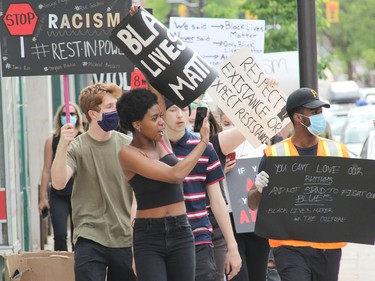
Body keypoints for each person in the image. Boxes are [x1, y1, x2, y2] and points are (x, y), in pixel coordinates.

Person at [248, 87, 349, 281]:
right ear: (298, 118)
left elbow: (350, 196)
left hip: (327, 246)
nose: (320, 116)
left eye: (321, 111)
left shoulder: (338, 151)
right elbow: (252, 204)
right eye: (314, 112)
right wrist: (259, 189)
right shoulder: (274, 155)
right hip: (289, 246)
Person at [116, 87, 210, 281]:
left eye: (161, 116)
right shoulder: (127, 154)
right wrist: (203, 142)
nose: (161, 122)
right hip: (149, 237)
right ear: (137, 124)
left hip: (181, 231)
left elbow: (156, 90)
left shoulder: (162, 141)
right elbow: (176, 174)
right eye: (154, 118)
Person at [51, 83, 136, 281]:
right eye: (109, 107)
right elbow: (58, 182)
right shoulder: (77, 147)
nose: (116, 111)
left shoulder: (128, 145)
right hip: (89, 236)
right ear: (93, 113)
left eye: (117, 106)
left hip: (124, 236)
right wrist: (63, 145)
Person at [164, 99, 242, 281]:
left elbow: (217, 200)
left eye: (183, 109)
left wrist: (232, 245)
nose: (180, 115)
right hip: (164, 238)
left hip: (200, 237)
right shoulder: (152, 149)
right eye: (173, 109)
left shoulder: (205, 147)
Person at [38, 102, 84, 251]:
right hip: (58, 194)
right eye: (64, 114)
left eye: (72, 114)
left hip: (79, 193)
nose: (68, 117)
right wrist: (42, 198)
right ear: (59, 118)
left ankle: (78, 269)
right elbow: (46, 170)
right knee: (59, 235)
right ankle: (61, 268)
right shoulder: (51, 140)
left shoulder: (84, 138)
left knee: (78, 236)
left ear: (78, 117)